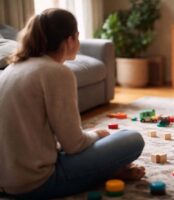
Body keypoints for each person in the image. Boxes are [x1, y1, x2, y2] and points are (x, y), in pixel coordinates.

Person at [0, 8, 145, 199]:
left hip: (6, 182)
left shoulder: (12, 68)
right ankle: (106, 172)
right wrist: (98, 134)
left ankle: (107, 170)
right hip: (37, 183)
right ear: (70, 40)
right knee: (132, 139)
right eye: (77, 36)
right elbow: (74, 145)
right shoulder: (57, 73)